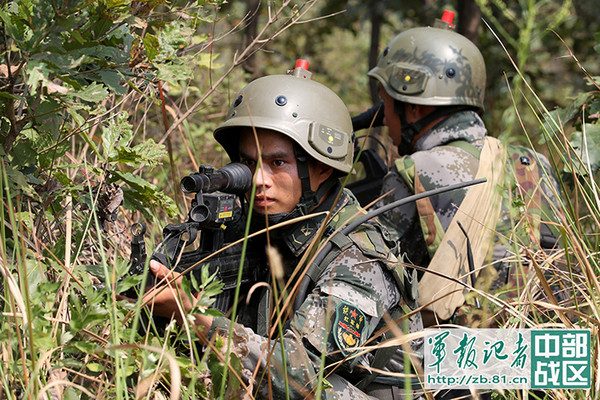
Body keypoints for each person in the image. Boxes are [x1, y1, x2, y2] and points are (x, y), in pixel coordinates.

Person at [139, 61, 423, 399]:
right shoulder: (260, 230)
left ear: (321, 167)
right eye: (248, 164)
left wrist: (195, 317)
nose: (259, 180)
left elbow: (299, 376)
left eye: (277, 163)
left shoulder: (358, 258)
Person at [353, 11, 562, 328]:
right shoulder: (533, 164)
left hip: (455, 364)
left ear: (414, 107)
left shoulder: (413, 171)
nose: (383, 118)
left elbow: (370, 276)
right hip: (535, 357)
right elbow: (558, 275)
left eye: (387, 104)